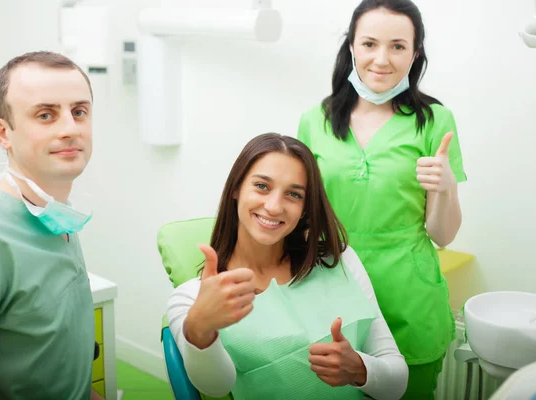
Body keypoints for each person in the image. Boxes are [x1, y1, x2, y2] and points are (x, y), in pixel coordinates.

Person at [296, 0, 467, 398]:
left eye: (398, 46)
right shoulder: (314, 120)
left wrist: (445, 187)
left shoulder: (435, 121)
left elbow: (443, 235)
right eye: (370, 44)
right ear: (351, 47)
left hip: (408, 297)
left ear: (415, 52)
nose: (382, 59)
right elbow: (301, 216)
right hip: (332, 290)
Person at [166, 133, 408, 400]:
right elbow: (215, 387)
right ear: (236, 188)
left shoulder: (339, 261)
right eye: (262, 186)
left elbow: (397, 383)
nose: (273, 206)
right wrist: (200, 328)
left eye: (293, 194)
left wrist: (361, 369)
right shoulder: (191, 298)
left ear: (305, 207)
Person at [0, 51, 103, 399]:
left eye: (79, 111)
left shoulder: (58, 216)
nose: (70, 129)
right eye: (46, 115)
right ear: (3, 133)